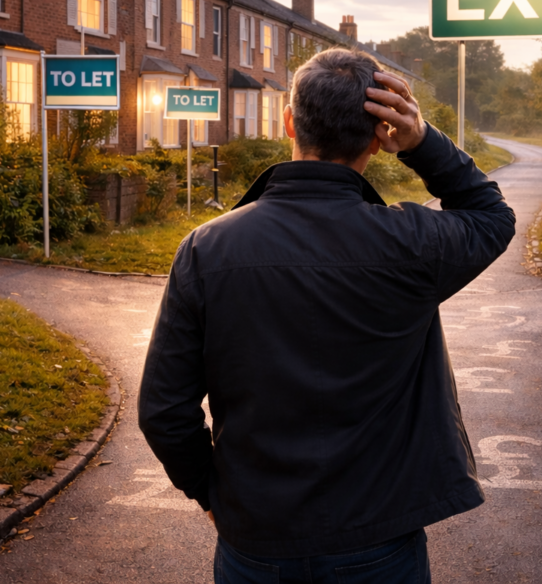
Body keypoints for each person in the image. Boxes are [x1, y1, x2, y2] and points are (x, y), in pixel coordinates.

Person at [138, 48, 516, 583]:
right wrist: (424, 143)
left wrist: (213, 495)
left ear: (289, 121)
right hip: (378, 540)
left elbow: (163, 410)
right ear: (379, 136)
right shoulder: (411, 242)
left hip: (256, 543)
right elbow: (490, 216)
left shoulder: (206, 249)